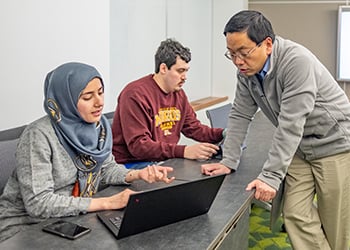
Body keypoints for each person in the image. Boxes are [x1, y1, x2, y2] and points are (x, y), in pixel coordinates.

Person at [201, 10, 350, 250]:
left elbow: (290, 123)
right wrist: (228, 159)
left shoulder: (296, 62)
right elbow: (240, 114)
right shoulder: (247, 72)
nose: (238, 61)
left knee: (334, 225)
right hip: (301, 145)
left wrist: (270, 177)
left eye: (243, 52)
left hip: (334, 144)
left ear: (267, 44)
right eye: (232, 54)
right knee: (294, 212)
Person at [0, 62, 175, 242]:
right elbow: (38, 203)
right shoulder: (38, 135)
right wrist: (107, 202)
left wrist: (138, 174)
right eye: (87, 97)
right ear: (65, 99)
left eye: (100, 92)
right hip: (23, 228)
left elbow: (106, 169)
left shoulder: (98, 127)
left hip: (69, 218)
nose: (99, 102)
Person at [112, 38, 224, 169]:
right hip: (132, 164)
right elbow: (139, 146)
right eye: (180, 71)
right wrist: (183, 151)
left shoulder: (178, 93)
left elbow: (194, 128)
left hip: (162, 160)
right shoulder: (135, 94)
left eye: (186, 71)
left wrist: (223, 134)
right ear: (163, 68)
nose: (185, 77)